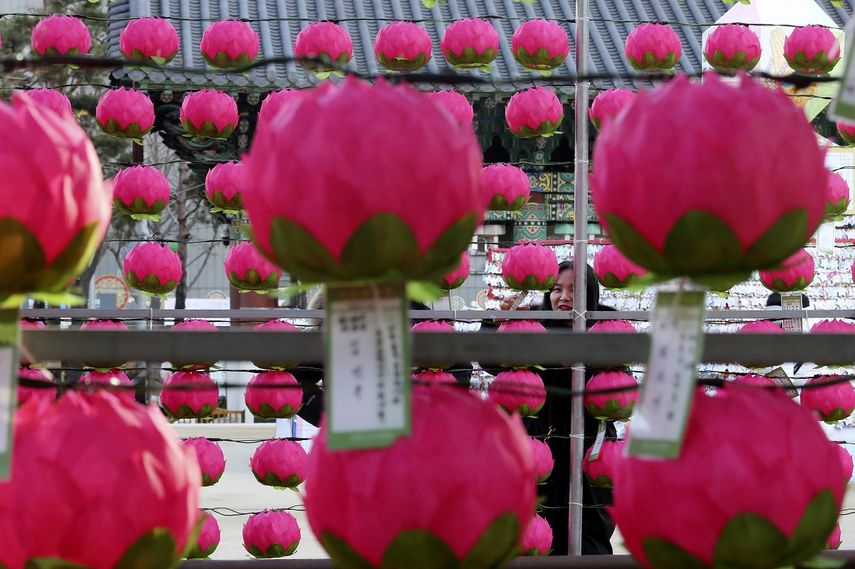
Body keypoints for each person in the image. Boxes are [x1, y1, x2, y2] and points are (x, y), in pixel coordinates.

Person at [501, 260, 617, 555]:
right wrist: (500, 323)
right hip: (542, 444)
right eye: (556, 289)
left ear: (589, 294)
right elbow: (494, 364)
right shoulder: (534, 329)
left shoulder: (606, 328)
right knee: (542, 526)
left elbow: (621, 379)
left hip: (591, 447)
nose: (564, 297)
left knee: (590, 531)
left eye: (573, 290)